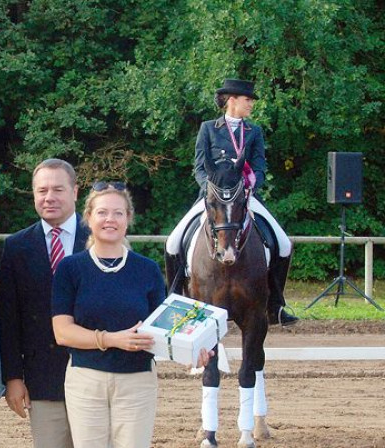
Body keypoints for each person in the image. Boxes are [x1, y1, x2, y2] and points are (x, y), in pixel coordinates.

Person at [51, 182, 213, 448]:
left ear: (128, 219)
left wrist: (191, 350)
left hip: (137, 383)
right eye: (102, 212)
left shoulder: (147, 270)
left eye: (118, 213)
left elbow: (163, 330)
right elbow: (62, 332)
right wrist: (112, 340)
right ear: (88, 218)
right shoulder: (70, 269)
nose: (110, 219)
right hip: (85, 381)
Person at [165, 78, 298, 326]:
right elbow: (199, 168)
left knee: (283, 243)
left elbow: (259, 167)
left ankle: (276, 304)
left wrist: (249, 188)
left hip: (243, 198)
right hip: (214, 199)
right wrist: (212, 190)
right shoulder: (208, 128)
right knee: (173, 241)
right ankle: (173, 298)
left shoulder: (254, 131)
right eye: (248, 100)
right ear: (232, 100)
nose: (251, 105)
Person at [0, 159, 87, 448]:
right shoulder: (16, 247)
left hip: (96, 377)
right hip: (43, 381)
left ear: (75, 192)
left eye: (58, 189)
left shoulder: (101, 239)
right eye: (42, 190)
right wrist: (12, 377)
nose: (49, 197)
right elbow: (8, 320)